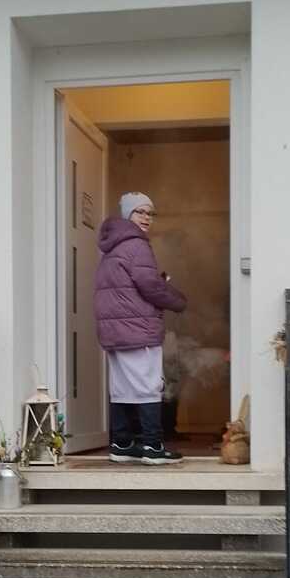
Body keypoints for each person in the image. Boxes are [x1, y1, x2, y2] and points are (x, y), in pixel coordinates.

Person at [94, 191, 187, 464]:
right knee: (149, 386)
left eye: (150, 213)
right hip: (137, 330)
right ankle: (153, 446)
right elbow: (150, 286)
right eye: (140, 212)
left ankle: (121, 443)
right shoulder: (136, 245)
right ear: (128, 215)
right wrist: (178, 300)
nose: (146, 218)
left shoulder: (112, 247)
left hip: (116, 331)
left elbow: (127, 286)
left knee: (122, 387)